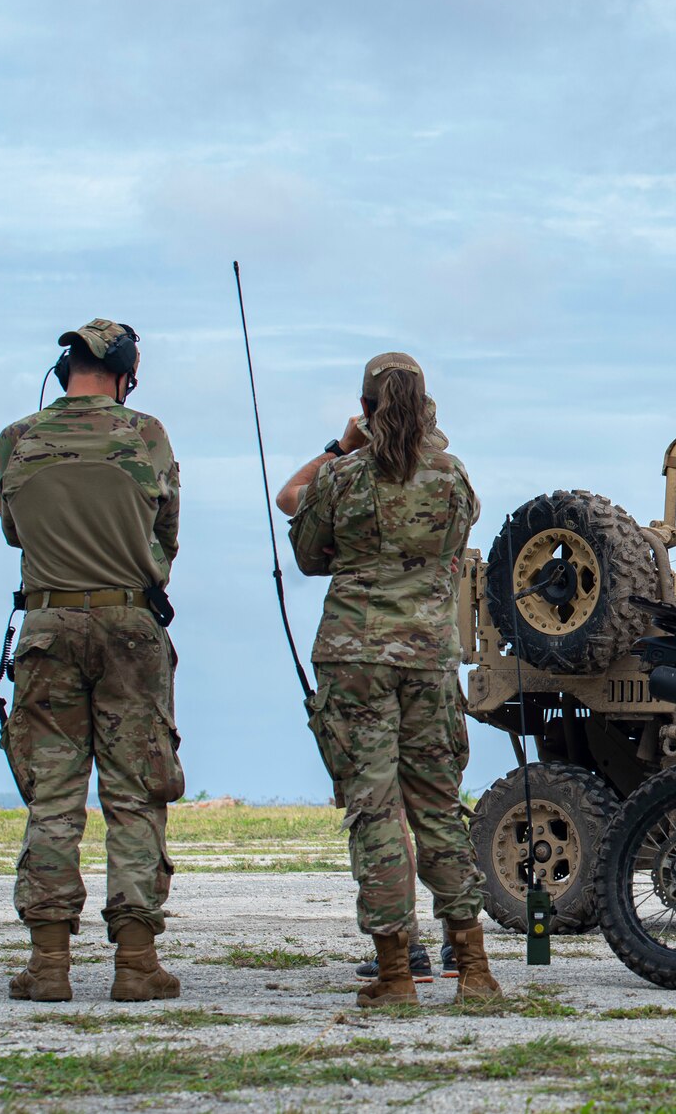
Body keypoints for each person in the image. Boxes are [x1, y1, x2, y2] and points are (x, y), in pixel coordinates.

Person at [277, 352, 500, 1006]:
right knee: (437, 808)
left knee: (375, 811)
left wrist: (343, 446)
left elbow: (305, 545)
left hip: (357, 657)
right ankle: (476, 968)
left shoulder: (345, 476)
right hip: (431, 657)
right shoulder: (453, 477)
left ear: (367, 408)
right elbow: (459, 539)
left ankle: (397, 973)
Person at [0, 318, 184, 1003]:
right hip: (131, 626)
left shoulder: (18, 439)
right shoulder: (147, 434)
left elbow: (13, 527)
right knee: (135, 794)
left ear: (65, 368)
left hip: (46, 626)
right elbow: (167, 533)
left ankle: (48, 964)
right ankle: (136, 961)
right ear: (126, 373)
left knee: (53, 795)